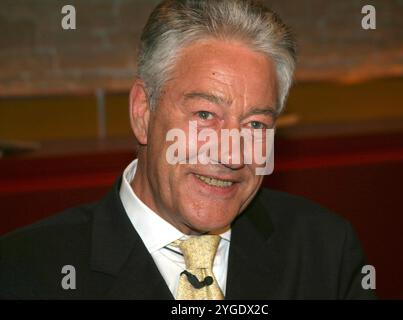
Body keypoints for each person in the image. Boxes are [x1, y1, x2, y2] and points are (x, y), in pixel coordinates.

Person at [0, 0, 375, 299]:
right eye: (205, 114)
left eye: (256, 124)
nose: (231, 155)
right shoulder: (26, 272)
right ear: (142, 111)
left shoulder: (324, 250)